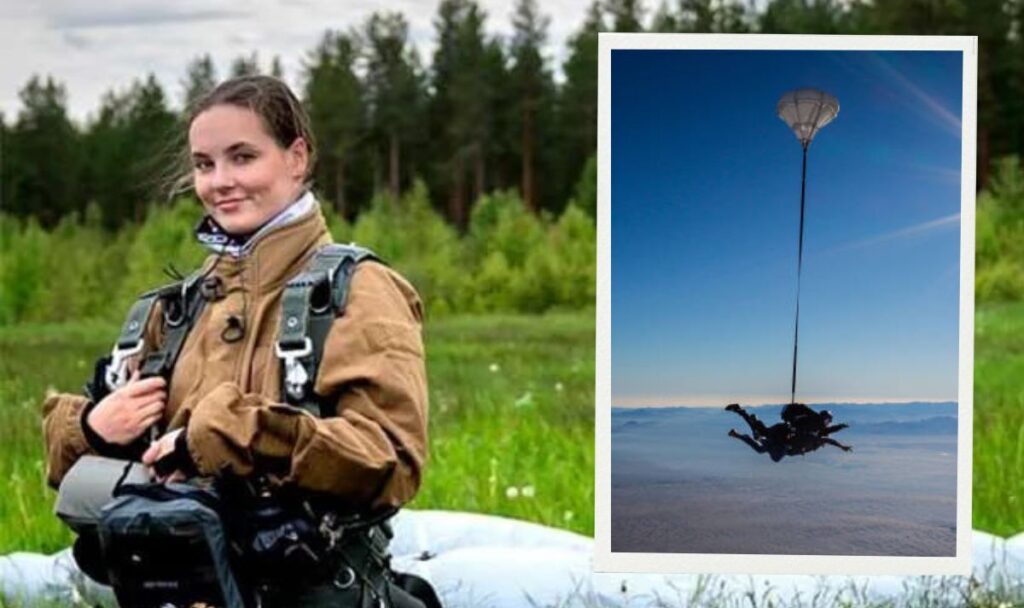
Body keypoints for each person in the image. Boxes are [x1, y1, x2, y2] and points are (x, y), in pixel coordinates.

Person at [40, 75, 430, 607]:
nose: (220, 181)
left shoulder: (358, 292)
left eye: (243, 158)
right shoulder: (171, 310)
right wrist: (93, 428)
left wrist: (233, 432)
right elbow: (88, 471)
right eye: (205, 164)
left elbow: (390, 460)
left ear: (297, 157)